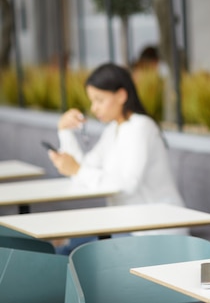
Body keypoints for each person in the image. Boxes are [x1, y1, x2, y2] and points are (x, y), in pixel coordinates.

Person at [47, 63, 187, 252]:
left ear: (121, 95)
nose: (93, 108)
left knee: (68, 250)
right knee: (63, 246)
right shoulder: (114, 130)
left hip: (153, 231)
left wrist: (78, 170)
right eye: (92, 101)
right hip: (125, 225)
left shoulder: (141, 127)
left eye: (99, 100)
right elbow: (83, 168)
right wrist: (65, 132)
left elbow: (127, 185)